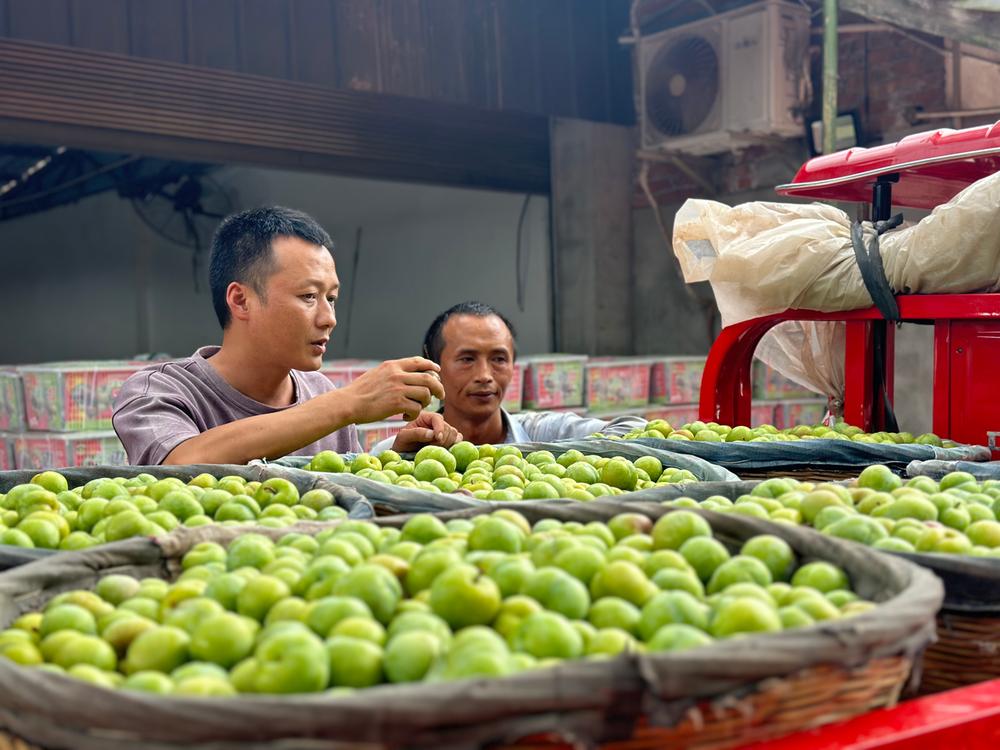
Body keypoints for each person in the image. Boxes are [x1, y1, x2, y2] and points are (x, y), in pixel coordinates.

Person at [113, 206, 460, 465]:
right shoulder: (160, 391)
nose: (329, 319)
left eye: (332, 298)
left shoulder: (322, 394)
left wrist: (401, 461)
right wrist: (348, 403)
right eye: (309, 296)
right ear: (241, 300)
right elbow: (179, 465)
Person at [371, 301, 646, 454]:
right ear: (433, 366)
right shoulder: (403, 447)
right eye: (467, 359)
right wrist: (405, 458)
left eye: (499, 359)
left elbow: (636, 430)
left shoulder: (543, 434)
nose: (485, 376)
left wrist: (549, 458)